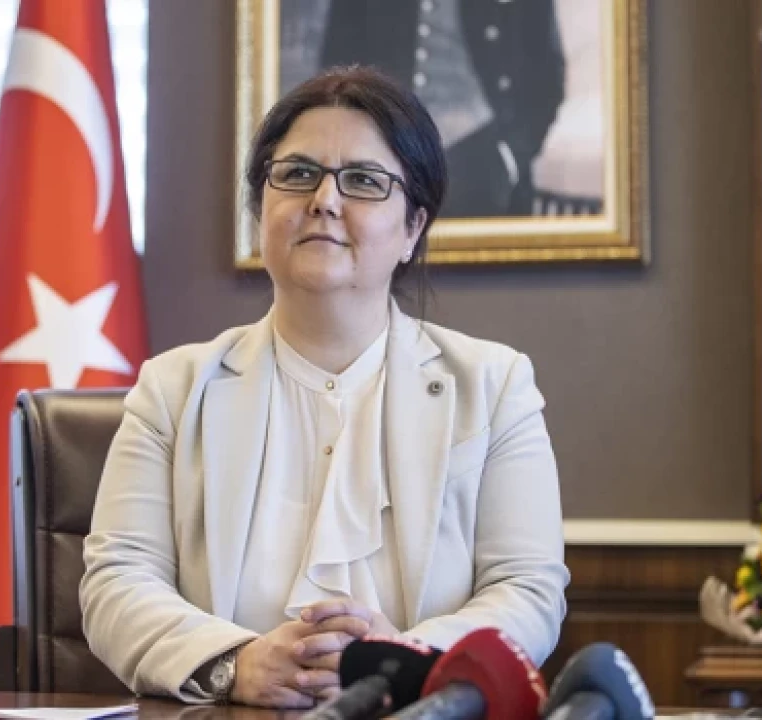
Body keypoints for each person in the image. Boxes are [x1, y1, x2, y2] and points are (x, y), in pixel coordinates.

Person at [80, 66, 569, 709]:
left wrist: (402, 662)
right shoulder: (172, 390)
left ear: (413, 228)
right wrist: (237, 662)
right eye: (298, 173)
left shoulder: (495, 387)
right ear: (261, 209)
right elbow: (116, 584)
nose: (325, 200)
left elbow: (528, 591)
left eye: (363, 180)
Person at [317, 0, 565, 217]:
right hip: (388, 149)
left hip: (482, 153)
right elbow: (338, 64)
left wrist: (513, 156)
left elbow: (545, 72)